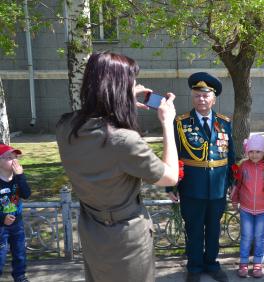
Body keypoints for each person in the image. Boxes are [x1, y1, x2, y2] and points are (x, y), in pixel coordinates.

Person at [56, 52, 179, 282]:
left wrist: (123, 100)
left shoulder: (65, 127)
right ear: (118, 87)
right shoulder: (123, 141)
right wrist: (167, 124)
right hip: (125, 237)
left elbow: (98, 127)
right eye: (131, 82)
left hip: (92, 230)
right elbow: (170, 176)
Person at [166, 72, 235, 282]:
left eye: (205, 95)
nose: (201, 99)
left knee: (214, 229)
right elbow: (173, 154)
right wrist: (171, 186)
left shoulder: (224, 122)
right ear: (192, 98)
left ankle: (212, 264)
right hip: (192, 187)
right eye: (197, 95)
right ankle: (194, 268)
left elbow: (230, 154)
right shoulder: (180, 123)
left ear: (213, 98)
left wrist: (232, 182)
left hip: (218, 187)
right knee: (194, 229)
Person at [230, 134, 264, 278]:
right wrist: (234, 200)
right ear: (247, 151)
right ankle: (243, 263)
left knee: (259, 237)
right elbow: (237, 184)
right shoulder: (243, 166)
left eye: (258, 151)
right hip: (246, 209)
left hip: (263, 209)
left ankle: (258, 263)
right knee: (246, 236)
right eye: (251, 151)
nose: (254, 155)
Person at [0, 144, 31, 282]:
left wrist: (20, 176)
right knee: (1, 255)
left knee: (19, 253)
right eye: (8, 157)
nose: (14, 160)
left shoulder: (18, 179)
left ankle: (20, 277)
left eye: (15, 157)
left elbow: (26, 194)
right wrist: (2, 218)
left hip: (17, 225)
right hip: (1, 226)